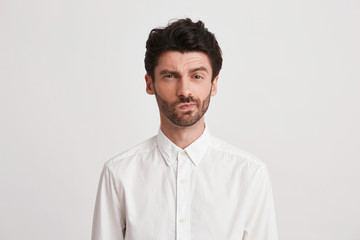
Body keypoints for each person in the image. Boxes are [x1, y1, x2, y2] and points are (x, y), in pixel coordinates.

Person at [91, 18, 278, 240]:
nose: (185, 90)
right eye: (170, 76)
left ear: (214, 84)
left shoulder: (249, 175)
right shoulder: (120, 173)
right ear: (150, 84)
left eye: (197, 76)